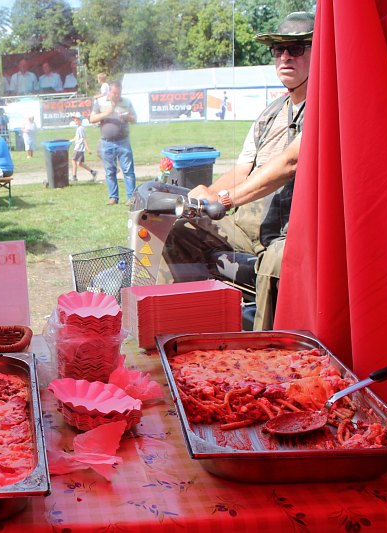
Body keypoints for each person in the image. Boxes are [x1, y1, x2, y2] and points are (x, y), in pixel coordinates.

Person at [164, 12, 314, 330]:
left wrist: (226, 200)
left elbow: (291, 161)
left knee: (278, 261)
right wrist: (204, 198)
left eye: (297, 48)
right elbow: (244, 166)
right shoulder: (271, 112)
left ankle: (263, 355)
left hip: (292, 233)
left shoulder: (326, 106)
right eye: (278, 49)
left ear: (319, 53)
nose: (285, 56)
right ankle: (201, 327)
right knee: (179, 231)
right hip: (248, 227)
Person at [90, 80, 137, 205]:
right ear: (109, 92)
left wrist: (127, 117)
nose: (117, 95)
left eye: (119, 93)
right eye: (115, 93)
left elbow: (135, 118)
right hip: (107, 142)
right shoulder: (100, 102)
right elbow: (92, 118)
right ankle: (113, 197)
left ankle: (131, 197)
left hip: (123, 141)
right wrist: (106, 113)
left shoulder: (126, 102)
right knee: (110, 171)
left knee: (128, 170)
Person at [70, 113, 98, 182]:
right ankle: (93, 172)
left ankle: (74, 177)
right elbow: (77, 137)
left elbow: (84, 139)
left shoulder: (80, 129)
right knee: (79, 163)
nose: (75, 120)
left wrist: (88, 149)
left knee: (73, 160)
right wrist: (70, 141)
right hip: (79, 148)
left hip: (79, 148)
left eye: (76, 119)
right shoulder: (78, 128)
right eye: (74, 119)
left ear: (80, 120)